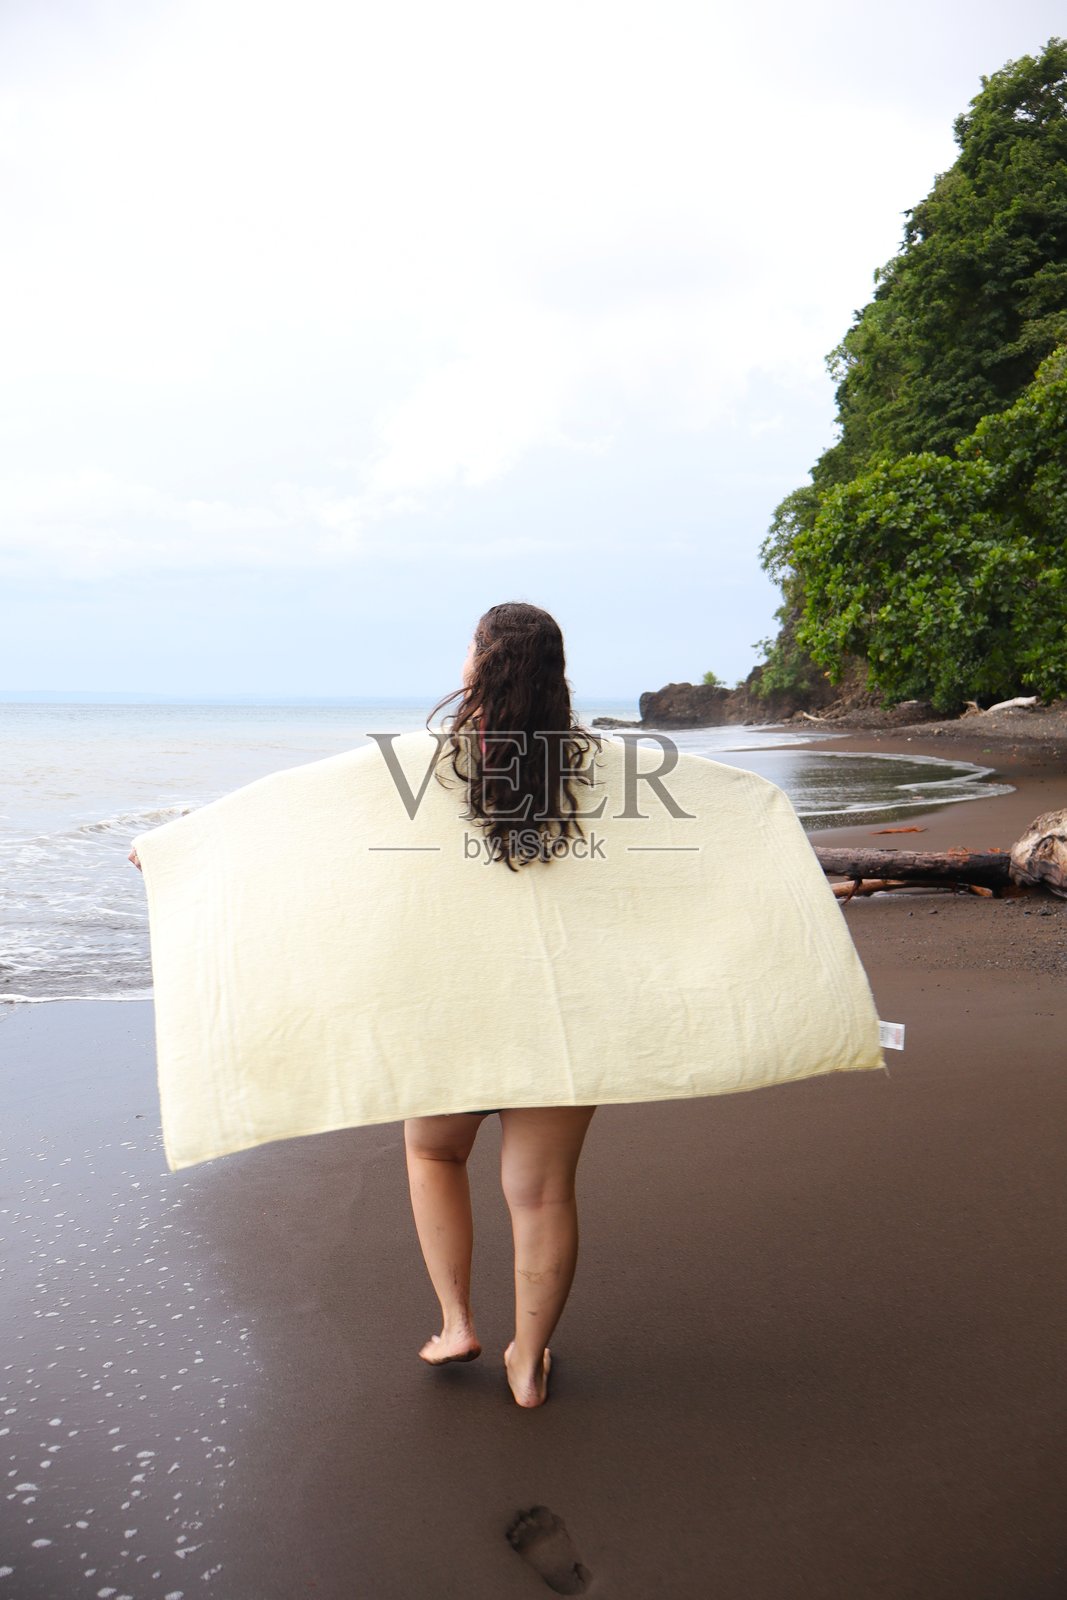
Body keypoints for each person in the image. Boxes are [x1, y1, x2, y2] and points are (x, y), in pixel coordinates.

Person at [404, 601, 598, 1408]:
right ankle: (526, 1364)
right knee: (542, 1193)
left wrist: (176, 850)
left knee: (433, 1155)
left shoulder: (425, 764)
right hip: (563, 1003)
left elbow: (302, 822)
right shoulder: (601, 769)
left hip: (457, 996)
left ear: (480, 663)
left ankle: (456, 1324)